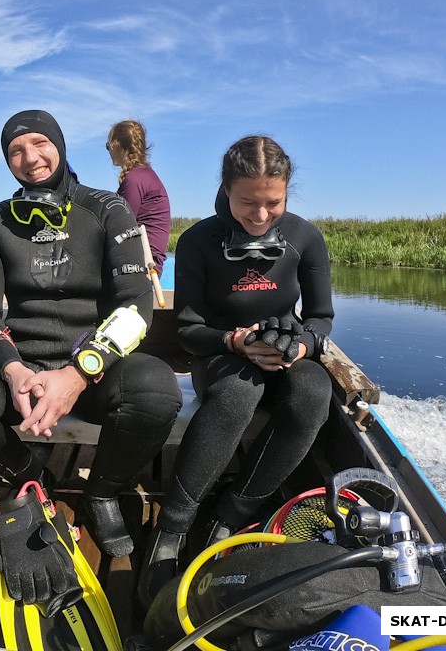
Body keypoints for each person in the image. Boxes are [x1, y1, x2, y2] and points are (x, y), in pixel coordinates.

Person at [0, 109, 182, 558]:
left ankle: (101, 491)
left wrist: (79, 373)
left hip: (95, 368)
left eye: (40, 143)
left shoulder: (106, 209)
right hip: (25, 370)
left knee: (158, 392)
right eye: (16, 151)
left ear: (59, 145)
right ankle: (31, 476)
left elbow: (137, 306)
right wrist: (12, 371)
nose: (30, 157)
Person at [138, 135, 334, 605]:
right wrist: (235, 341)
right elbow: (187, 329)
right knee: (237, 393)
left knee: (314, 393)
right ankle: (174, 525)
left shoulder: (305, 237)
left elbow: (321, 317)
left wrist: (301, 345)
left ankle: (229, 514)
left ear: (286, 194)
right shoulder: (199, 241)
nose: (262, 215)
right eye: (248, 202)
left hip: (282, 351)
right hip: (220, 354)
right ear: (226, 190)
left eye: (274, 203)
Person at [106, 120, 171, 275]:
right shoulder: (143, 175)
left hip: (144, 264)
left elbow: (122, 225)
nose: (108, 151)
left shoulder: (135, 180)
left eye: (108, 146)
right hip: (146, 261)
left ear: (117, 146)